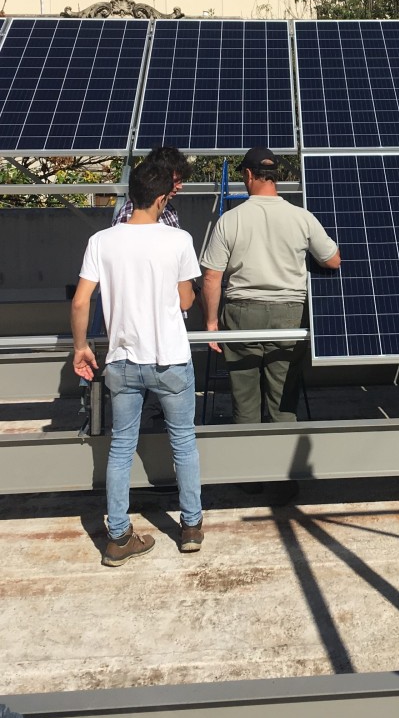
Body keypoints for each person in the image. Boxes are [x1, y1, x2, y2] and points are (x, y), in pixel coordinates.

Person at [70, 160, 204, 567]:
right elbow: (185, 301)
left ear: (132, 194)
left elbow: (80, 301)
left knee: (121, 448)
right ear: (163, 198)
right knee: (183, 442)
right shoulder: (178, 240)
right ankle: (192, 528)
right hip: (171, 360)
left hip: (122, 361)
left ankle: (117, 538)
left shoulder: (101, 241)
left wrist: (80, 348)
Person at [200, 147, 341, 424]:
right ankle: (282, 456)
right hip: (289, 313)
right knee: (283, 400)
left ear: (249, 174)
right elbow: (333, 260)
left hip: (242, 314)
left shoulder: (230, 219)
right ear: (275, 176)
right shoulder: (302, 217)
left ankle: (248, 457)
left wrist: (211, 325)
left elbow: (211, 277)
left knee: (245, 400)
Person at [113, 146, 190, 227]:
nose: (180, 186)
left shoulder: (168, 209)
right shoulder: (129, 215)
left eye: (181, 181)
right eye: (176, 181)